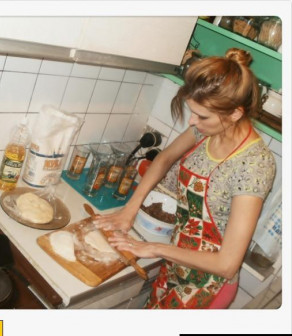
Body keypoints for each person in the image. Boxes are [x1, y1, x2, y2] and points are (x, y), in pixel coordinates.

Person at [94, 48, 276, 309]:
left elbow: (227, 265)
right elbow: (165, 158)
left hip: (209, 285)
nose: (192, 121)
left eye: (202, 116)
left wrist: (154, 249)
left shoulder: (255, 165)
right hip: (177, 263)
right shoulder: (210, 130)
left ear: (235, 113)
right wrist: (129, 210)